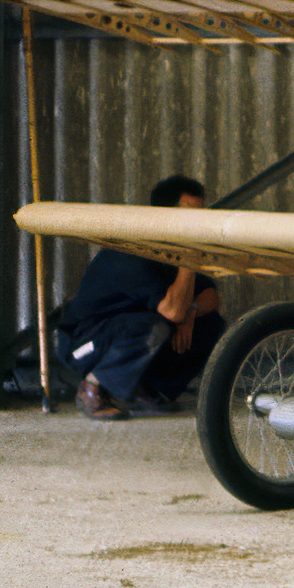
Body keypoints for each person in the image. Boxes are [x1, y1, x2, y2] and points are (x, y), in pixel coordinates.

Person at [57, 175, 225, 420]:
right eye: (190, 214)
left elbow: (211, 295)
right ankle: (92, 387)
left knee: (210, 324)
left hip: (126, 334)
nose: (198, 222)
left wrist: (192, 310)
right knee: (154, 325)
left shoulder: (169, 252)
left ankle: (143, 390)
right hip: (82, 346)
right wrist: (190, 257)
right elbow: (172, 311)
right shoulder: (131, 252)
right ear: (163, 215)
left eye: (201, 214)